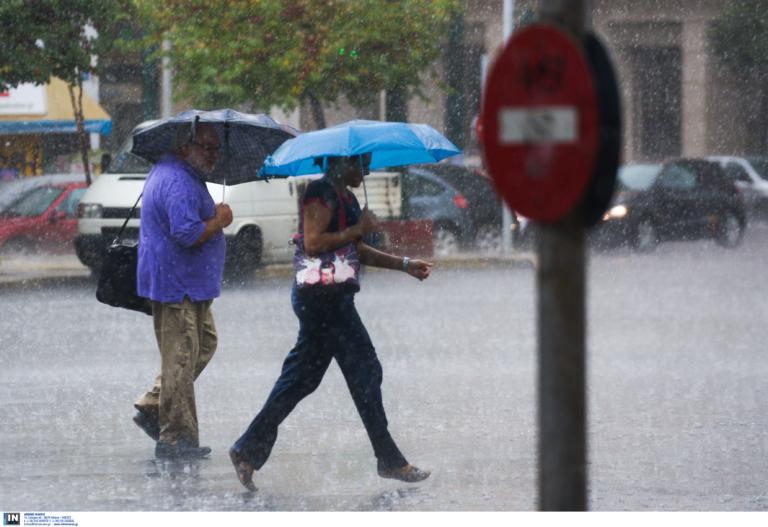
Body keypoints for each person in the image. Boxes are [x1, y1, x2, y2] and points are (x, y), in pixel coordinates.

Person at [229, 154, 433, 491]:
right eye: (360, 163)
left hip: (330, 299)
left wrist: (404, 264)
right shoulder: (320, 193)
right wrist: (358, 228)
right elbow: (312, 243)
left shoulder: (345, 196)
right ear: (341, 162)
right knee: (365, 371)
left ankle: (246, 450)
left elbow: (355, 251)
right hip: (324, 302)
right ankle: (390, 460)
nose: (365, 170)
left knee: (300, 380)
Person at [133, 122, 233, 460]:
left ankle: (154, 406)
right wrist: (218, 221)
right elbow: (188, 234)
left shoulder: (182, 173)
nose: (212, 154)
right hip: (177, 285)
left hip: (190, 283)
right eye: (205, 146)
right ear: (185, 146)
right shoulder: (176, 179)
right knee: (180, 359)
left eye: (215, 148)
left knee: (202, 345)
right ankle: (176, 438)